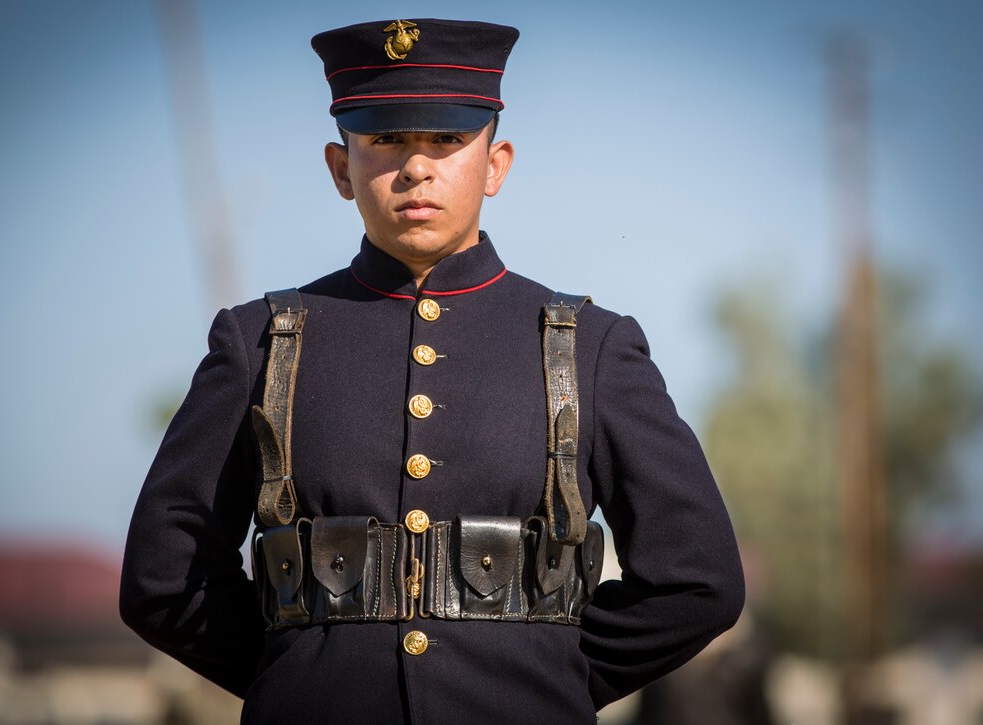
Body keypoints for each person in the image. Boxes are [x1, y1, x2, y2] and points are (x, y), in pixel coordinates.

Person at [120, 18, 745, 724]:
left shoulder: (592, 348)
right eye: (386, 139)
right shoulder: (258, 342)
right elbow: (163, 579)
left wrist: (553, 678)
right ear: (338, 167)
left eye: (447, 140)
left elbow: (699, 581)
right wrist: (295, 678)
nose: (416, 167)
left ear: (497, 162)